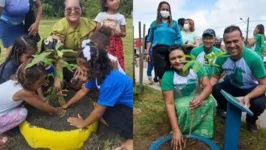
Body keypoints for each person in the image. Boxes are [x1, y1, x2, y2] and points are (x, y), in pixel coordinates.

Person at [62, 45, 133, 150]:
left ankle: (131, 139)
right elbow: (82, 91)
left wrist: (83, 123)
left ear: (96, 66)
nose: (80, 68)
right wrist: (66, 105)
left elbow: (98, 111)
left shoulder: (110, 81)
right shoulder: (96, 75)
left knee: (102, 115)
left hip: (129, 109)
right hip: (119, 103)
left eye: (82, 66)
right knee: (99, 113)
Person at [211, 25, 266, 133]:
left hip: (252, 88)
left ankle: (251, 120)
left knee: (260, 104)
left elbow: (264, 84)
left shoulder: (253, 59)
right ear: (224, 43)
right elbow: (215, 77)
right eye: (228, 42)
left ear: (242, 39)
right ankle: (223, 108)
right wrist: (206, 90)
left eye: (235, 41)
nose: (232, 45)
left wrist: (249, 96)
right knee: (216, 88)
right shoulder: (221, 58)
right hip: (233, 85)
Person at [161, 45, 215, 149]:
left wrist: (200, 99)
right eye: (173, 58)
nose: (177, 61)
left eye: (180, 57)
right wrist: (175, 130)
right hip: (177, 102)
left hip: (195, 98)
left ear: (186, 56)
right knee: (183, 107)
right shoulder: (168, 75)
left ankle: (202, 131)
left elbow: (208, 87)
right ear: (169, 61)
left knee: (210, 101)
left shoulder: (196, 67)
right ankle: (181, 131)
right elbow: (169, 103)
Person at [0, 61, 65, 145]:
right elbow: (41, 106)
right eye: (40, 82)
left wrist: (43, 100)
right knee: (23, 113)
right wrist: (56, 111)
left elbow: (34, 96)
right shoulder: (24, 92)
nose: (42, 84)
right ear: (30, 82)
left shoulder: (17, 81)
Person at [51, 0, 95, 90]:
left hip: (85, 60)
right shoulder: (60, 27)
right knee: (78, 82)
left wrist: (82, 64)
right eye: (69, 9)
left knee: (94, 77)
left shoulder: (88, 24)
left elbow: (92, 48)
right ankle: (67, 82)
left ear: (81, 9)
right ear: (64, 11)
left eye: (76, 8)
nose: (73, 11)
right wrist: (58, 78)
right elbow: (58, 54)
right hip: (65, 61)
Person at [146, 1, 182, 84]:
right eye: (163, 9)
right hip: (157, 51)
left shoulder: (174, 23)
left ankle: (172, 92)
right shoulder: (154, 24)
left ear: (169, 11)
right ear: (159, 10)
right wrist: (147, 53)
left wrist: (176, 49)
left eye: (167, 9)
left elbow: (179, 38)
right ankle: (164, 94)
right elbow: (150, 39)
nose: (165, 11)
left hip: (170, 51)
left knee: (171, 72)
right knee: (161, 74)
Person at [95, 0, 127, 71]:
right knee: (103, 59)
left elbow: (124, 33)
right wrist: (105, 28)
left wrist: (119, 33)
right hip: (103, 42)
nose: (116, 1)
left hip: (116, 43)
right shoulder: (101, 15)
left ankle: (118, 75)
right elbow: (97, 30)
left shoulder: (121, 17)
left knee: (117, 60)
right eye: (112, 0)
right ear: (105, 4)